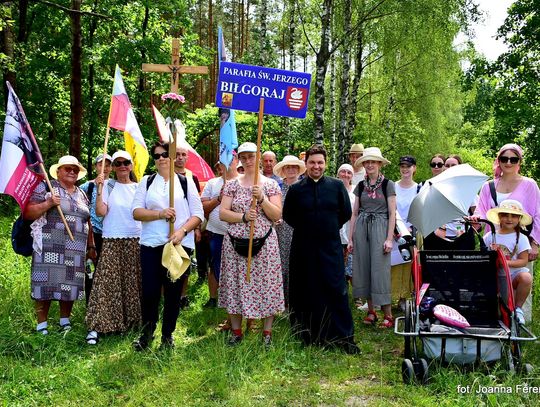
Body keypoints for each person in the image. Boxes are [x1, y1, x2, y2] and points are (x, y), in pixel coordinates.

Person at [283, 145, 359, 354]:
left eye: (320, 162)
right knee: (305, 288)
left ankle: (341, 335)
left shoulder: (336, 187)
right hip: (303, 246)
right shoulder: (296, 189)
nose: (316, 166)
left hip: (330, 246)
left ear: (325, 164)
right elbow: (289, 216)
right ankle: (306, 334)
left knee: (335, 288)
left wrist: (326, 227)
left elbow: (345, 212)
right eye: (312, 162)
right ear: (306, 164)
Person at [131, 142, 204, 350]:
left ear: (172, 157)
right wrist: (160, 214)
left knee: (173, 293)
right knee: (150, 292)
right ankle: (146, 334)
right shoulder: (146, 182)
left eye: (165, 154)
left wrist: (181, 231)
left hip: (177, 246)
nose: (161, 158)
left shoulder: (185, 182)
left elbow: (198, 214)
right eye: (157, 156)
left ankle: (167, 336)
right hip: (151, 245)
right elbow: (136, 212)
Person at [219, 142, 284, 346]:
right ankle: (237, 332)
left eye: (251, 156)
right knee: (236, 284)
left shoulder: (271, 184)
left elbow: (276, 214)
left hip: (264, 243)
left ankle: (267, 334)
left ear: (258, 157)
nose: (248, 161)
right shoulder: (231, 184)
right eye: (244, 157)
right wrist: (244, 217)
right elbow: (223, 213)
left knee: (266, 285)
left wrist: (262, 199)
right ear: (239, 159)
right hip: (235, 243)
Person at [24, 155, 91, 335]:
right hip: (49, 246)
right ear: (58, 171)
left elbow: (88, 221)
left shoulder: (82, 193)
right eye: (68, 168)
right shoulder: (46, 186)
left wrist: (91, 246)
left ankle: (64, 321)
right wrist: (48, 203)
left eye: (75, 169)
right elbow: (28, 213)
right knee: (44, 284)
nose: (72, 172)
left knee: (70, 284)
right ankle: (42, 325)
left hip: (76, 249)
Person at [474, 143, 540, 322]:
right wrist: (475, 220)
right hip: (494, 241)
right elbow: (481, 210)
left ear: (519, 161)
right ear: (499, 160)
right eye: (504, 158)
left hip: (520, 241)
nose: (508, 162)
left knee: (522, 280)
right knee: (496, 286)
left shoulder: (529, 185)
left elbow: (537, 214)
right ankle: (496, 322)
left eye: (513, 159)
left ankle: (519, 324)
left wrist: (535, 243)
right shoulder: (489, 186)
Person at [85, 151, 142, 345]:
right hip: (111, 239)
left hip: (136, 239)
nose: (122, 166)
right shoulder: (108, 185)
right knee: (106, 284)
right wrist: (100, 189)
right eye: (118, 163)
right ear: (114, 167)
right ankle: (98, 325)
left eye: (126, 162)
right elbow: (100, 212)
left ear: (132, 165)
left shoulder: (140, 187)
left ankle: (129, 323)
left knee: (131, 283)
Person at [349, 147, 396, 329]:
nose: (369, 165)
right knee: (364, 268)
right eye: (366, 162)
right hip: (362, 227)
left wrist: (389, 238)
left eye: (373, 161)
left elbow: (392, 213)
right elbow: (354, 213)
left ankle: (388, 314)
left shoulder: (388, 184)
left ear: (379, 164)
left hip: (380, 227)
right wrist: (352, 238)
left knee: (380, 270)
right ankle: (371, 311)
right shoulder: (361, 185)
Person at [484, 199, 533, 325]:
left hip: (514, 275)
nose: (509, 219)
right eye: (505, 215)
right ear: (499, 217)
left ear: (519, 219)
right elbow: (483, 257)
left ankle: (518, 309)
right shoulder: (490, 236)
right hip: (496, 277)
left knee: (526, 277)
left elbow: (523, 261)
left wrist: (505, 263)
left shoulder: (521, 238)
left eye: (514, 216)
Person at [200, 154, 239, 309]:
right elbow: (203, 208)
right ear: (219, 164)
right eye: (224, 160)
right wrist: (219, 198)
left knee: (237, 267)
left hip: (237, 234)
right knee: (215, 264)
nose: (228, 163)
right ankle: (213, 298)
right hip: (216, 232)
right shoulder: (212, 183)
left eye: (232, 159)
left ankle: (234, 299)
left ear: (237, 162)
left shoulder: (243, 182)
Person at [273, 155, 306, 306]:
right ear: (283, 170)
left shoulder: (305, 187)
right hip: (280, 231)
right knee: (281, 265)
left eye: (294, 166)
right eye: (288, 167)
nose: (291, 169)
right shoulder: (277, 187)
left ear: (299, 169)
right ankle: (282, 302)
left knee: (298, 264)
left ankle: (297, 301)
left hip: (300, 231)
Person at [80, 153, 112, 303]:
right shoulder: (88, 186)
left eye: (108, 164)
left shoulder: (114, 185)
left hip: (111, 234)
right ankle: (90, 305)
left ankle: (105, 304)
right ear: (95, 166)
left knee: (107, 272)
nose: (104, 168)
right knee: (90, 271)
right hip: (92, 235)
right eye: (101, 164)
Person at [174, 145, 203, 308]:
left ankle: (182, 296)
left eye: (183, 154)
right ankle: (167, 298)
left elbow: (196, 205)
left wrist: (197, 228)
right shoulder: (164, 176)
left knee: (184, 265)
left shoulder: (193, 178)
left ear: (187, 158)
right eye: (176, 154)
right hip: (167, 228)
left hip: (187, 229)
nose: (179, 157)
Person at [336, 163, 356, 283]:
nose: (346, 174)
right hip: (336, 231)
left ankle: (356, 297)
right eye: (343, 171)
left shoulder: (355, 190)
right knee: (338, 264)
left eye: (349, 172)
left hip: (351, 231)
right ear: (338, 174)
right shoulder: (333, 188)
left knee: (352, 264)